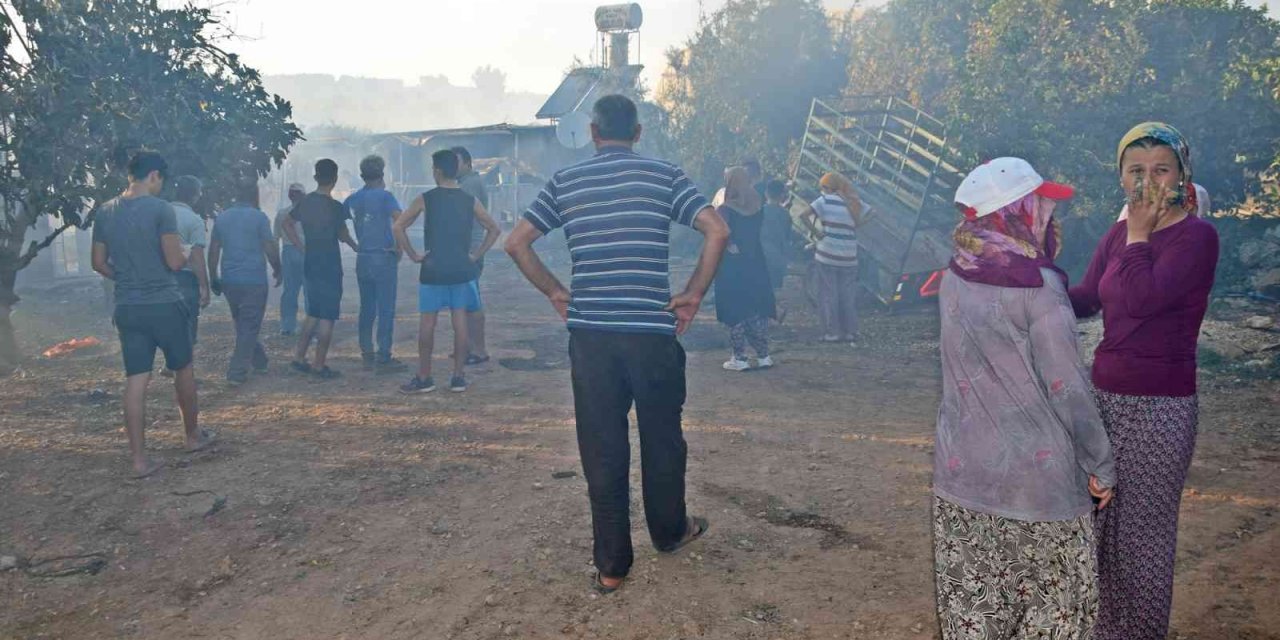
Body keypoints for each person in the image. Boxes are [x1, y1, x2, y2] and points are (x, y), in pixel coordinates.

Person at [505, 94, 730, 594]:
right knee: (662, 438)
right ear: (639, 132)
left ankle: (611, 567)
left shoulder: (565, 182)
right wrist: (693, 294)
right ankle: (671, 532)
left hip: (592, 339)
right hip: (651, 335)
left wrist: (555, 292)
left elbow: (515, 242)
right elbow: (717, 229)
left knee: (602, 448)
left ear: (592, 132)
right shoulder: (664, 175)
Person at [935, 157, 1116, 639]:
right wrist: (1101, 463)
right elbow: (1067, 388)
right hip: (1040, 489)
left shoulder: (953, 276)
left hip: (962, 479)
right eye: (1042, 205)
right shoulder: (1040, 288)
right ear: (1019, 213)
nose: (1050, 216)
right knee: (1056, 614)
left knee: (976, 615)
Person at [1069, 122, 1220, 640]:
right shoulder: (1116, 234)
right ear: (1120, 178)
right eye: (1136, 170)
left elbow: (1141, 299)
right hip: (1103, 397)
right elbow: (1088, 297)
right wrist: (1027, 277)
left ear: (1183, 175)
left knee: (1141, 538)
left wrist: (1138, 234)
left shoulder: (1197, 237)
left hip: (1160, 408)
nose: (1148, 181)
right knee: (1091, 526)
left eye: (1161, 170)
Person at [90, 150, 214, 478]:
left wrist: (127, 278)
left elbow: (98, 263)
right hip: (163, 303)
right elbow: (174, 262)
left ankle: (139, 461)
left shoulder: (105, 211)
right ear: (155, 175)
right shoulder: (161, 209)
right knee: (182, 369)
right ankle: (191, 437)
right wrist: (187, 255)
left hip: (128, 307)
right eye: (161, 180)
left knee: (136, 380)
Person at [394, 149, 501, 394]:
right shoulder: (469, 199)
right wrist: (476, 255)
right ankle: (458, 377)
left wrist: (413, 255)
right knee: (460, 321)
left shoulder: (426, 198)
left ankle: (424, 377)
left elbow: (399, 226)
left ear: (437, 171)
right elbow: (494, 229)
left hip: (433, 267)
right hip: (462, 268)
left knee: (428, 323)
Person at [283, 159, 359, 379]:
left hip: (311, 261)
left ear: (315, 178)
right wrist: (357, 247)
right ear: (335, 179)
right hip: (330, 264)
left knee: (313, 312)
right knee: (327, 316)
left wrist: (300, 246)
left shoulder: (305, 203)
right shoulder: (336, 207)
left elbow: (287, 223)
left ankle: (298, 358)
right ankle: (318, 364)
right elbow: (343, 234)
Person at [208, 178, 282, 385]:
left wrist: (213, 276)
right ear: (253, 195)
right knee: (248, 324)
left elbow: (214, 250)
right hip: (254, 279)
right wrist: (278, 268)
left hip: (230, 280)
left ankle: (259, 360)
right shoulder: (259, 218)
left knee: (243, 323)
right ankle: (236, 371)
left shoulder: (222, 218)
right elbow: (269, 246)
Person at [345, 155, 407, 373]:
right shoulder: (386, 197)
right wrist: (399, 247)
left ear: (362, 175)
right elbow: (400, 220)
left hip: (363, 258)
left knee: (367, 308)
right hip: (383, 257)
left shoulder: (353, 199)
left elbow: (339, 222)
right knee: (386, 308)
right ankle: (384, 355)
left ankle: (366, 353)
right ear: (382, 174)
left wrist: (354, 244)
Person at [715, 166, 776, 372]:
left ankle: (739, 358)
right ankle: (763, 355)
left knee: (735, 309)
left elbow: (719, 235)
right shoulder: (758, 206)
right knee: (755, 308)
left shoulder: (725, 209)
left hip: (732, 264)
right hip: (756, 261)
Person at [800, 172, 864, 344]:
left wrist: (818, 234)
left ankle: (832, 333)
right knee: (847, 295)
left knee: (828, 294)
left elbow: (803, 215)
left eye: (823, 187)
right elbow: (870, 213)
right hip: (850, 256)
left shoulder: (824, 201)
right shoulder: (853, 202)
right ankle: (850, 332)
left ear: (828, 188)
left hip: (827, 255)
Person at [453, 146, 494, 365]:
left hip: (471, 251)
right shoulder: (466, 183)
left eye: (456, 162)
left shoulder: (470, 185)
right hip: (468, 250)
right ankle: (468, 347)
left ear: (468, 163)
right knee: (465, 301)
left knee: (472, 302)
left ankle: (479, 350)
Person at [169, 176, 211, 345]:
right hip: (184, 278)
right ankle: (176, 366)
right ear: (195, 196)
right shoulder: (194, 219)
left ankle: (169, 362)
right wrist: (204, 287)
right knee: (186, 325)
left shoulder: (159, 213)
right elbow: (197, 257)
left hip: (157, 275)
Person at [273, 183, 308, 336]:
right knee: (309, 291)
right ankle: (310, 326)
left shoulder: (282, 213)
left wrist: (276, 265)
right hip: (307, 252)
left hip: (288, 252)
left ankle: (287, 326)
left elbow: (275, 239)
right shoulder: (311, 213)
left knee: (289, 291)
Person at [760, 179, 794, 293]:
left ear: (766, 193)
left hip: (760, 256)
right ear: (782, 196)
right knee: (774, 291)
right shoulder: (786, 214)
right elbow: (788, 236)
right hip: (778, 258)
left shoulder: (759, 212)